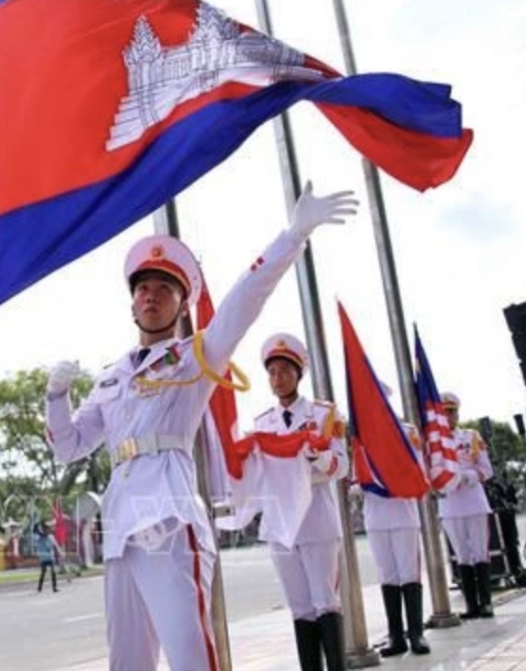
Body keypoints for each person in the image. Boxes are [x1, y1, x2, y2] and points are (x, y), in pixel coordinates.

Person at [46, 183, 357, 670]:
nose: (151, 296)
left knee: (190, 654)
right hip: (122, 524)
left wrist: (292, 236)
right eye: (143, 288)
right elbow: (68, 447)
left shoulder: (194, 356)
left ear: (182, 305)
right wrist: (55, 398)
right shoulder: (113, 374)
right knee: (127, 662)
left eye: (165, 289)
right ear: (132, 303)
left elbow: (244, 300)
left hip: (168, 518)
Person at [250, 334, 348, 671]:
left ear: (298, 373)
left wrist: (313, 460)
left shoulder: (323, 414)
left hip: (316, 520)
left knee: (325, 602)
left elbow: (341, 465)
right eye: (272, 372)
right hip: (280, 525)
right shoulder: (262, 424)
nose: (278, 379)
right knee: (300, 606)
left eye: (284, 371)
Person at [361, 384, 430, 657]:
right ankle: (396, 636)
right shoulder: (361, 437)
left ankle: (417, 634)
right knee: (387, 576)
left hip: (402, 513)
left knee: (408, 574)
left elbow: (418, 472)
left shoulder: (408, 433)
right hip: (376, 515)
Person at [436, 392, 495, 619]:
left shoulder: (470, 436)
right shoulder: (434, 442)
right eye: (446, 412)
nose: (450, 416)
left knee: (480, 552)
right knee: (462, 555)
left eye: (453, 411)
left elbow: (486, 470)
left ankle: (487, 603)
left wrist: (465, 476)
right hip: (450, 504)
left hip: (473, 500)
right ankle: (472, 605)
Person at [35, 523, 60, 593]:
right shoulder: (39, 538)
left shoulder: (51, 537)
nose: (46, 530)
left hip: (50, 557)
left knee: (53, 572)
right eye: (45, 529)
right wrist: (38, 529)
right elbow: (37, 534)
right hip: (43, 558)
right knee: (43, 573)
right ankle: (39, 587)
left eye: (47, 529)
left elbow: (56, 545)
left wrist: (60, 551)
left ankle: (54, 587)